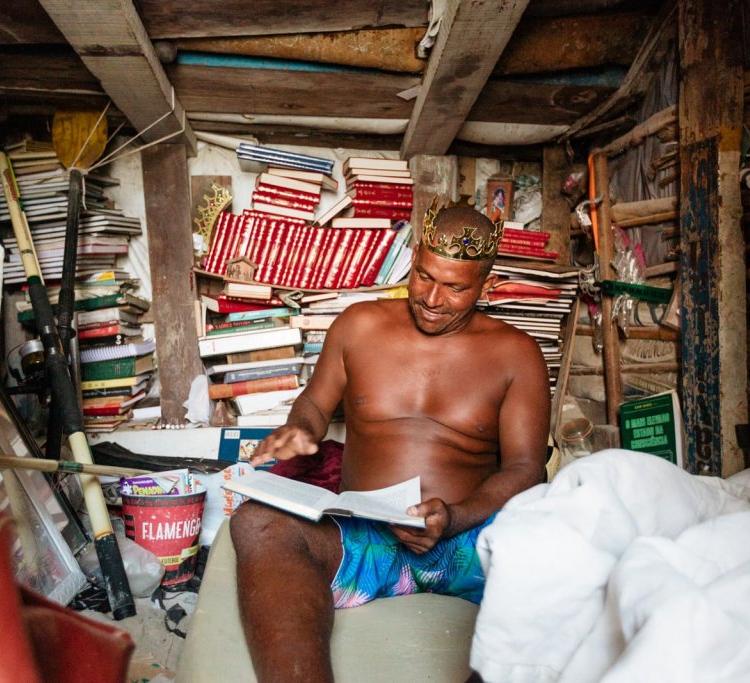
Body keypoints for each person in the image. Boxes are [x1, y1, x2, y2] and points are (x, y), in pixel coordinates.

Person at [229, 205, 551, 682]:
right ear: (414, 257)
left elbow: (526, 469)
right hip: (369, 538)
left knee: (563, 544)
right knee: (257, 523)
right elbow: (315, 406)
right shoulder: (359, 325)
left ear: (487, 284)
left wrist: (455, 517)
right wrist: (301, 428)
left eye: (455, 287)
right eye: (424, 276)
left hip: (467, 537)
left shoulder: (517, 354)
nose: (432, 299)